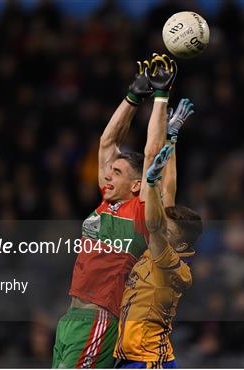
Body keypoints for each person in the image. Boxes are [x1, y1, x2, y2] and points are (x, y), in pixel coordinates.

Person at [52, 54, 178, 368]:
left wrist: (161, 98)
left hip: (100, 320)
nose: (108, 174)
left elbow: (152, 155)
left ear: (137, 184)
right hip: (70, 320)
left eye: (118, 172)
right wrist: (132, 97)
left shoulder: (141, 210)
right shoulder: (106, 203)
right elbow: (108, 140)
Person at [114, 99, 203, 368]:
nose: (164, 223)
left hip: (151, 362)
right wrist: (171, 137)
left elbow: (154, 223)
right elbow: (170, 190)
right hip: (130, 358)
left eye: (170, 226)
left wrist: (151, 183)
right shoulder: (163, 246)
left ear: (181, 240)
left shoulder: (172, 264)